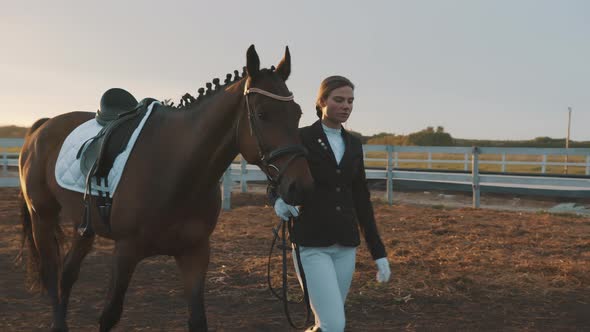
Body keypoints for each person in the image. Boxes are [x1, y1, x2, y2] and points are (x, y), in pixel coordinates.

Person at [271, 75, 391, 332]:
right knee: (334, 325)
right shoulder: (301, 138)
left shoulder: (354, 145)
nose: (346, 105)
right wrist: (277, 200)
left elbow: (362, 199)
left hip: (346, 246)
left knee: (326, 323)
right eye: (339, 100)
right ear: (322, 101)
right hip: (311, 243)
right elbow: (276, 178)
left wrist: (378, 252)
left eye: (350, 101)